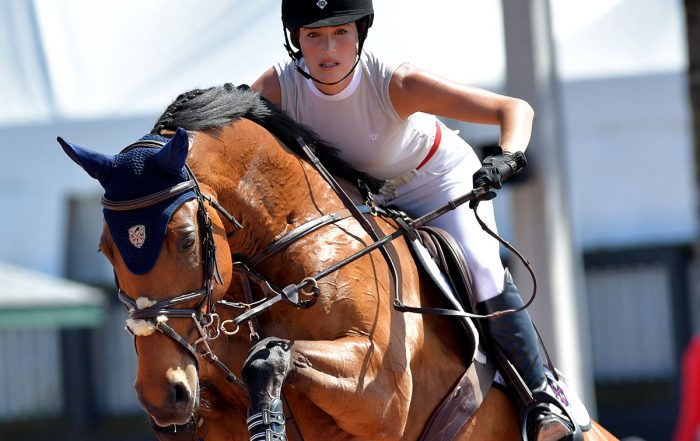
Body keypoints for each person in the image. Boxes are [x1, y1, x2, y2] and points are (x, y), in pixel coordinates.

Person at [252, 1, 573, 440]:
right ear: (296, 40)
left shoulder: (394, 82)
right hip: (367, 198)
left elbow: (515, 109)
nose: (328, 49)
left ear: (361, 34)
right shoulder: (277, 87)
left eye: (340, 33)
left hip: (437, 180)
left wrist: (507, 156)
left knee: (481, 272)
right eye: (314, 36)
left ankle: (541, 399)